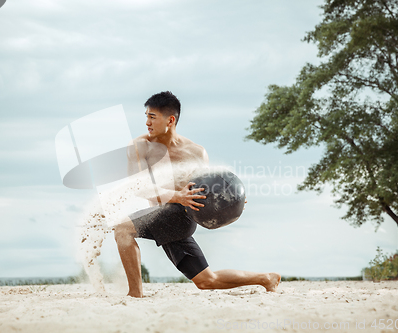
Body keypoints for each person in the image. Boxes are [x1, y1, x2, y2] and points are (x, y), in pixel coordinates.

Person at [114, 91, 281, 297]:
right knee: (206, 281)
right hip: (161, 215)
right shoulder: (139, 146)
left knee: (123, 230)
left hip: (181, 216)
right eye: (146, 116)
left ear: (170, 120)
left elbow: (210, 188)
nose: (147, 122)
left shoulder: (195, 152)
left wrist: (232, 201)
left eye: (152, 117)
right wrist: (177, 196)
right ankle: (266, 278)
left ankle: (135, 294)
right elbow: (138, 186)